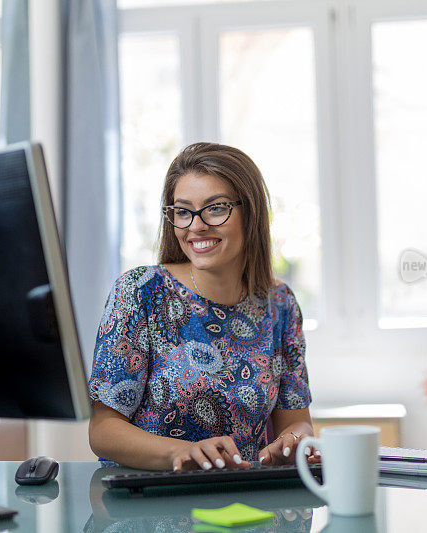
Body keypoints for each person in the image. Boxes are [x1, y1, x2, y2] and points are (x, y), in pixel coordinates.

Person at [88, 142, 315, 471]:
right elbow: (103, 431)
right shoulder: (140, 292)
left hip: (247, 506)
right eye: (182, 211)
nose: (196, 226)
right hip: (151, 506)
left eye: (215, 208)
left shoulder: (280, 304)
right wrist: (179, 452)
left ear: (250, 212)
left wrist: (294, 441)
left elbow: (296, 423)